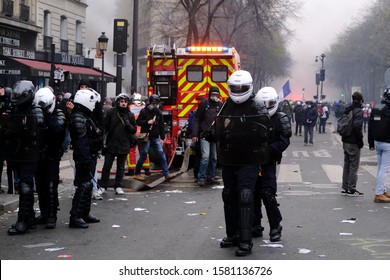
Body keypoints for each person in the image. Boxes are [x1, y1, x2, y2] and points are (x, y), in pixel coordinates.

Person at [216, 70, 270, 257]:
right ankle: (232, 234)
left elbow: (266, 130)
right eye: (235, 88)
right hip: (230, 156)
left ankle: (246, 241)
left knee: (246, 195)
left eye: (241, 88)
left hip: (250, 157)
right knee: (229, 194)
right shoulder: (226, 105)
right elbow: (218, 127)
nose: (238, 91)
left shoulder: (257, 105)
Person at [252, 87, 291, 242]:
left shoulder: (280, 118)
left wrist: (268, 150)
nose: (267, 106)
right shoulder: (253, 116)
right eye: (263, 103)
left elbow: (284, 140)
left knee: (268, 193)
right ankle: (255, 224)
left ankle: (275, 226)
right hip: (253, 160)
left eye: (269, 103)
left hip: (268, 161)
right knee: (252, 193)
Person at [5, 81, 41, 235]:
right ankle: (30, 217)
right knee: (23, 185)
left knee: (26, 187)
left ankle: (23, 221)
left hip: (30, 153)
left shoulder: (35, 111)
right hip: (18, 153)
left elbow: (40, 133)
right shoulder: (14, 109)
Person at [68, 88, 103, 228]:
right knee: (83, 186)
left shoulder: (84, 117)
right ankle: (75, 216)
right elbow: (81, 143)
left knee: (87, 186)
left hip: (90, 155)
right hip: (85, 158)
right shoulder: (79, 119)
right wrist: (85, 160)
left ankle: (84, 213)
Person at [33, 87, 67, 229]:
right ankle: (44, 213)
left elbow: (58, 131)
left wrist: (47, 115)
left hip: (52, 154)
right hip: (39, 154)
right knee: (40, 185)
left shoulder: (58, 113)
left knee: (51, 186)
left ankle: (52, 215)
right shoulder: (36, 111)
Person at [99, 93, 137, 195]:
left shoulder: (130, 115)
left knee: (121, 167)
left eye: (125, 102)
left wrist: (128, 125)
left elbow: (134, 130)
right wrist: (103, 140)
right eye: (121, 101)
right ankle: (103, 186)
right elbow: (105, 127)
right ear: (118, 102)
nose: (123, 103)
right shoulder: (112, 112)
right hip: (111, 143)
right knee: (107, 166)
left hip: (124, 144)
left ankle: (118, 186)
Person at [133, 94, 173, 181]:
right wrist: (147, 122)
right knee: (143, 154)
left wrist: (162, 137)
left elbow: (161, 125)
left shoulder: (158, 113)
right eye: (153, 102)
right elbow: (138, 122)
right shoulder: (144, 111)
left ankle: (166, 174)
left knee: (161, 155)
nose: (155, 104)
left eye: (156, 102)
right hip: (147, 136)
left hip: (155, 137)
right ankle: (137, 173)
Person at [191, 86, 222, 186]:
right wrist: (195, 134)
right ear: (209, 95)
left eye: (216, 95)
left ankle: (210, 177)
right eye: (213, 95)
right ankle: (201, 177)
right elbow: (197, 119)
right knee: (205, 156)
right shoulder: (204, 104)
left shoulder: (220, 105)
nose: (215, 97)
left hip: (214, 135)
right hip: (204, 134)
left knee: (214, 158)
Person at [368, 89, 390, 203]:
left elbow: (370, 126)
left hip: (377, 142)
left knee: (381, 168)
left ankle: (382, 190)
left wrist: (371, 142)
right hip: (388, 143)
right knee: (384, 169)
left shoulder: (376, 108)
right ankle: (379, 194)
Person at [341, 91, 364, 197]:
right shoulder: (359, 111)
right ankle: (351, 188)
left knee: (346, 164)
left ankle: (344, 188)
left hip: (345, 140)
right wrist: (360, 140)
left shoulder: (348, 109)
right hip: (354, 141)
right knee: (354, 166)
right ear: (360, 100)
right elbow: (357, 126)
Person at [127, 93, 151, 176]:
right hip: (143, 134)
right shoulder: (144, 108)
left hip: (132, 134)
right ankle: (147, 169)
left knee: (131, 151)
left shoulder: (129, 108)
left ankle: (131, 170)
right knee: (144, 151)